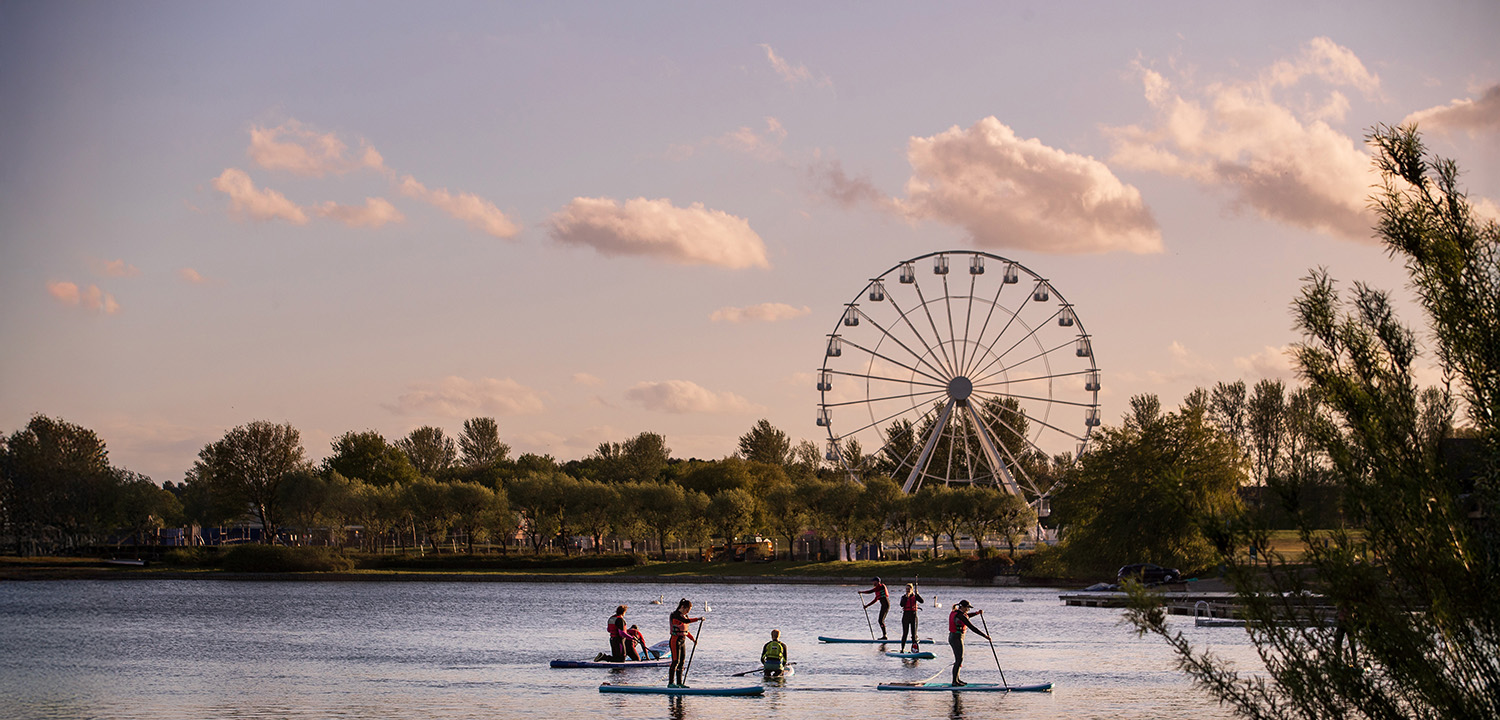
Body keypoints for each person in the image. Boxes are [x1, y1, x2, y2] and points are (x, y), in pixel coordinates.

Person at [948, 599, 990, 686]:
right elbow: (972, 627)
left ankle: (957, 679)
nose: (968, 610)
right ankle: (954, 682)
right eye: (967, 608)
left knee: (959, 659)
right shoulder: (960, 615)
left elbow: (966, 616)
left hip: (956, 637)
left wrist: (977, 613)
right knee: (959, 659)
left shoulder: (958, 613)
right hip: (956, 638)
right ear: (962, 607)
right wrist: (985, 636)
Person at [668, 598, 703, 687]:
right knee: (675, 661)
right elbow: (686, 621)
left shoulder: (685, 616)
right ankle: (671, 683)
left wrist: (693, 639)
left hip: (682, 641)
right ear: (683, 607)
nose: (687, 612)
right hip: (675, 641)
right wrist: (698, 619)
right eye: (687, 610)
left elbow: (685, 630)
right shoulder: (675, 615)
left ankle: (679, 683)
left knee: (682, 662)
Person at [898, 583, 925, 652]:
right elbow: (901, 604)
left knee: (914, 634)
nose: (907, 590)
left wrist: (917, 594)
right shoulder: (904, 597)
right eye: (906, 589)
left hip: (913, 616)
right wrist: (906, 597)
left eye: (909, 589)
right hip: (906, 616)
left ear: (912, 589)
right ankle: (902, 649)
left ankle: (914, 649)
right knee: (905, 633)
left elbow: (922, 601)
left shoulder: (915, 596)